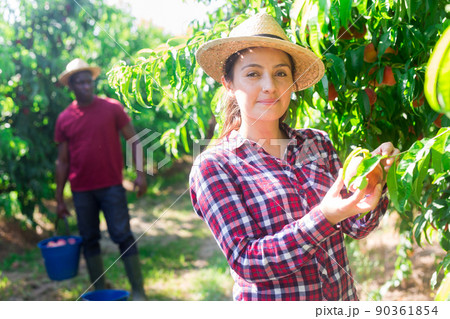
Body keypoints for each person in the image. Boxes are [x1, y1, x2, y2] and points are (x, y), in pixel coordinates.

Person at [189, 12, 400, 301]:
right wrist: (324, 217)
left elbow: (357, 226)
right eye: (253, 74)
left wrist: (373, 179)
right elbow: (247, 261)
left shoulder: (317, 142)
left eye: (280, 73)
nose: (270, 86)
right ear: (228, 83)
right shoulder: (215, 166)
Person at [55, 58, 147, 300]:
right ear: (71, 86)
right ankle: (99, 291)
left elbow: (134, 141)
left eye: (89, 82)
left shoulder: (111, 108)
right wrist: (59, 199)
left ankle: (138, 290)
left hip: (111, 187)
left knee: (122, 235)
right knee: (89, 239)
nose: (86, 86)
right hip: (82, 190)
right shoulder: (65, 118)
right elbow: (62, 162)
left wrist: (140, 174)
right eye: (80, 83)